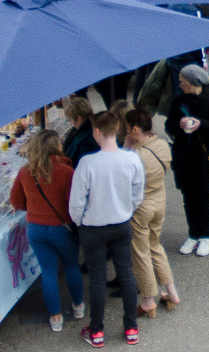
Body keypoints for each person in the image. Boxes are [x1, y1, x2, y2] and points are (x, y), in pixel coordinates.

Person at [68, 112, 145, 348]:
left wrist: (79, 221)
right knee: (126, 274)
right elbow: (137, 195)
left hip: (93, 228)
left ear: (98, 132)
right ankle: (131, 327)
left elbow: (76, 203)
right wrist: (126, 210)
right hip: (121, 225)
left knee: (98, 280)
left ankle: (97, 331)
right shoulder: (132, 159)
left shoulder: (87, 163)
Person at [10, 130, 84, 332]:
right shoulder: (67, 172)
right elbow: (73, 204)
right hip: (63, 229)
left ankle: (56, 318)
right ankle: (78, 307)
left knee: (48, 272)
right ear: (57, 146)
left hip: (36, 229)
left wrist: (34, 209)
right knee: (71, 267)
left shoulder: (25, 171)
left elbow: (15, 201)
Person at [164, 64, 209, 258]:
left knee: (203, 197)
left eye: (183, 81)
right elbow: (169, 126)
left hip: (204, 158)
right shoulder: (179, 100)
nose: (180, 83)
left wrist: (201, 124)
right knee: (188, 197)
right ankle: (193, 234)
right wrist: (179, 125)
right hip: (184, 157)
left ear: (193, 83)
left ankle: (205, 236)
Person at [123, 109, 179, 318]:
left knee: (140, 252)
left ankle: (148, 300)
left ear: (135, 130)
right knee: (155, 245)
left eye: (127, 129)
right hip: (160, 202)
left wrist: (126, 147)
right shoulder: (163, 146)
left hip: (141, 207)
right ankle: (172, 292)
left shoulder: (135, 156)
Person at [60, 96, 98, 168]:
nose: (71, 123)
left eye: (70, 119)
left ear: (78, 118)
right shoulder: (90, 127)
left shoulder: (86, 138)